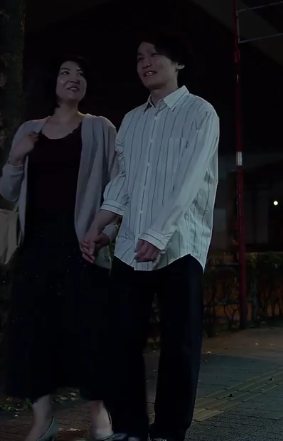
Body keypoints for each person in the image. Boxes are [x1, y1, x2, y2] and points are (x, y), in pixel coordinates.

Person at [81, 33, 220, 441]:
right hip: (129, 247)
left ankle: (170, 430)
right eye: (140, 56)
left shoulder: (201, 113)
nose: (145, 62)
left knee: (180, 344)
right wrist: (100, 226)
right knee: (121, 340)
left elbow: (190, 179)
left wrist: (160, 232)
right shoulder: (132, 120)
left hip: (181, 246)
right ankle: (130, 427)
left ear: (178, 62)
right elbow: (124, 183)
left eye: (155, 54)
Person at [0, 55, 119, 441]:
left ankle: (99, 415)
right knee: (33, 332)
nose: (74, 78)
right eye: (65, 72)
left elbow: (118, 186)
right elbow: (7, 193)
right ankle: (43, 418)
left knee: (91, 330)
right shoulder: (30, 130)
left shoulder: (100, 128)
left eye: (81, 74)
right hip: (35, 246)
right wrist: (16, 158)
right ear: (51, 82)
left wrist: (106, 232)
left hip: (83, 244)